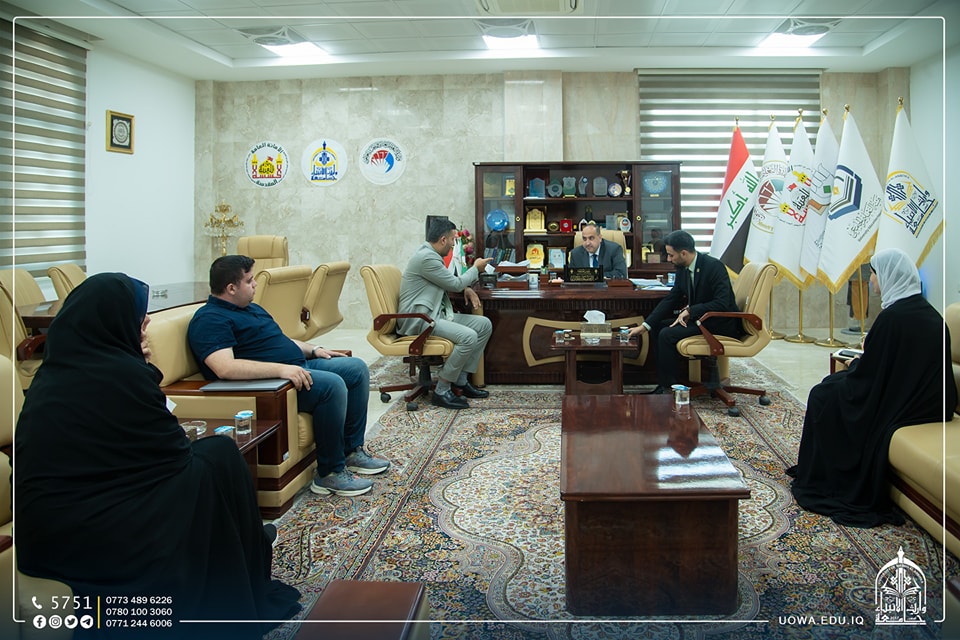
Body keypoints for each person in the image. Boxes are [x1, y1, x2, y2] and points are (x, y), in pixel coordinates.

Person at [14, 273, 301, 639]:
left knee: (214, 455)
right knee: (219, 458)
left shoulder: (53, 375)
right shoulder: (121, 375)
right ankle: (244, 556)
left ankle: (247, 543)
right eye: (138, 316)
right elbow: (173, 459)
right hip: (93, 532)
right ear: (113, 323)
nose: (147, 322)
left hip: (46, 531)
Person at [188, 255, 389, 497]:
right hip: (275, 384)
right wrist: (282, 370)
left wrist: (313, 349)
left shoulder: (251, 308)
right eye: (249, 281)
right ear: (231, 288)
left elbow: (281, 340)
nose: (255, 284)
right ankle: (330, 473)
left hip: (296, 366)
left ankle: (351, 451)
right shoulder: (210, 319)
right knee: (332, 385)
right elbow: (225, 368)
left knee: (355, 368)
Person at [787, 248, 956, 527]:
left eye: (874, 274)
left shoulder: (892, 319)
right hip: (931, 403)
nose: (871, 281)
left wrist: (853, 365)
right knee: (833, 385)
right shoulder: (931, 315)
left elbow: (868, 376)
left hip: (900, 403)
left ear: (889, 277)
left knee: (822, 394)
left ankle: (820, 474)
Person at [398, 218, 493, 410]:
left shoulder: (430, 255)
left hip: (434, 315)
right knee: (468, 336)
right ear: (443, 239)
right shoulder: (427, 258)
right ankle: (441, 390)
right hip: (420, 320)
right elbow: (454, 284)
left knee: (483, 325)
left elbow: (450, 281)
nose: (453, 244)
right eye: (452, 240)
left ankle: (460, 380)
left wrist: (466, 287)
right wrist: (476, 268)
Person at [627, 230, 739, 392]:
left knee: (667, 334)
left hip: (719, 323)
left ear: (684, 253)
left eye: (671, 255)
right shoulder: (683, 269)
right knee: (657, 327)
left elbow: (722, 303)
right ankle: (664, 383)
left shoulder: (714, 267)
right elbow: (672, 298)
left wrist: (691, 310)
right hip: (701, 321)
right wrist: (645, 326)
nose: (668, 259)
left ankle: (670, 388)